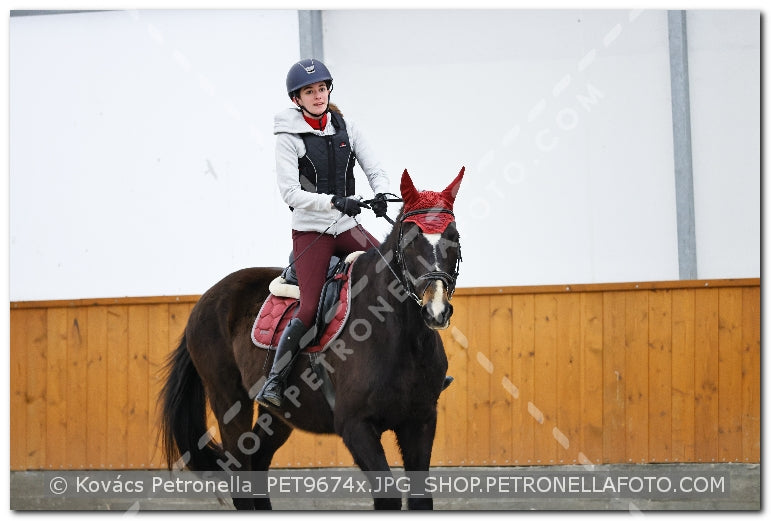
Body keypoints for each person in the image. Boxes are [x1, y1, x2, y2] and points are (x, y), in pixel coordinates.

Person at [256, 58, 391, 408]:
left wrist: (380, 195)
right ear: (296, 99)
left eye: (321, 89)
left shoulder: (347, 127)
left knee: (393, 276)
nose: (317, 96)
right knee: (310, 308)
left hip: (347, 227)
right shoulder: (288, 138)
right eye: (309, 92)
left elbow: (374, 168)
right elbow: (290, 193)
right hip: (311, 233)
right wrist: (333, 201)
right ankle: (274, 381)